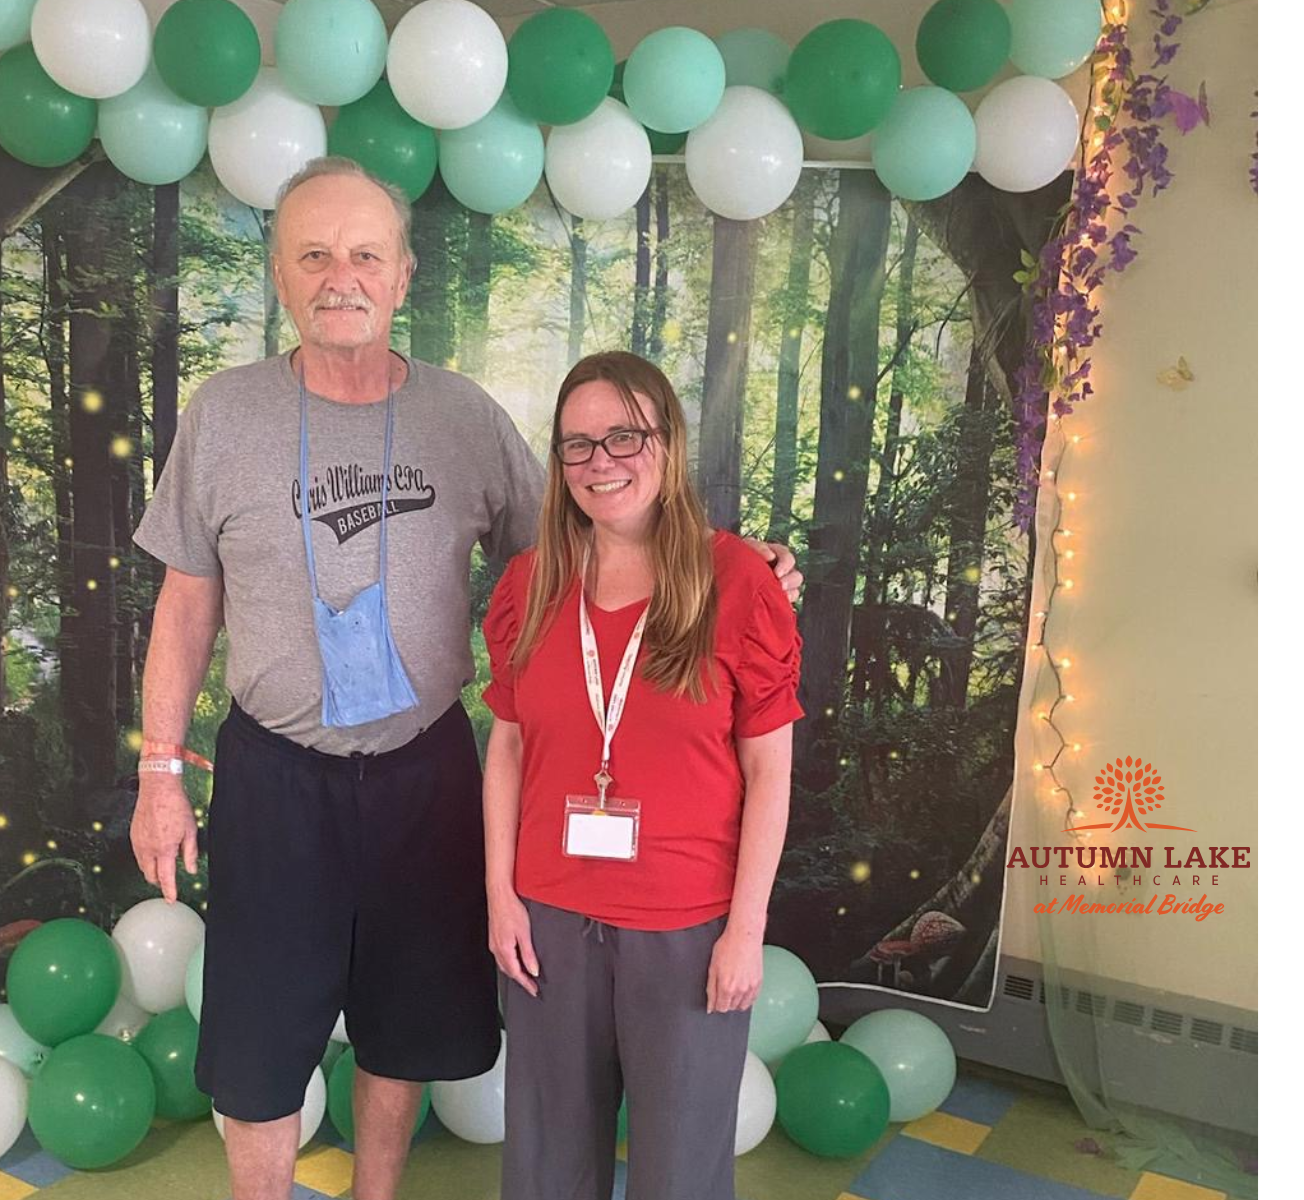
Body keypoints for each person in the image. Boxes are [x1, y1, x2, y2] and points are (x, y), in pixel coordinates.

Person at [128, 158, 801, 1200]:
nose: (339, 275)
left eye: (364, 254)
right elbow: (184, 605)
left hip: (423, 771)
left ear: (403, 275)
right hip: (276, 771)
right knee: (258, 1031)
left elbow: (597, 524)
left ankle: (376, 1193)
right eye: (313, 255)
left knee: (404, 1015)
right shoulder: (223, 416)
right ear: (279, 275)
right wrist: (160, 773)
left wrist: (734, 568)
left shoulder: (464, 417)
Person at [482, 351, 802, 1200]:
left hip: (687, 927)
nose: (602, 461)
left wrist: (745, 929)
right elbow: (507, 748)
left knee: (681, 1170)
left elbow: (771, 769)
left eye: (625, 435)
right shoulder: (529, 587)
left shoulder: (738, 583)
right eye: (578, 444)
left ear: (668, 442)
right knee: (548, 1165)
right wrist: (500, 896)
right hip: (548, 918)